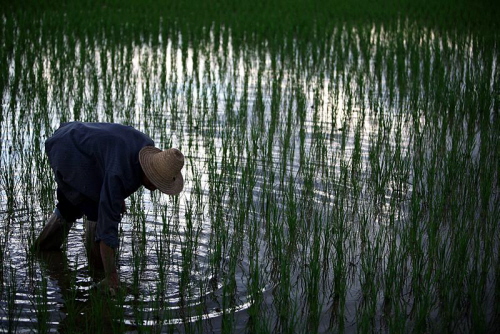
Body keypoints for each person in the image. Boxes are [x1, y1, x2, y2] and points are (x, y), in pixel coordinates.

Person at [33, 121, 184, 294]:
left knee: (84, 204)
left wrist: (116, 196)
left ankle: (44, 250)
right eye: (157, 183)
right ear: (148, 172)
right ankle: (99, 273)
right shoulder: (119, 175)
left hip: (72, 135)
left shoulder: (144, 148)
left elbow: (113, 160)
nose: (157, 188)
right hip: (66, 149)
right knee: (94, 210)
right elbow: (107, 226)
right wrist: (113, 275)